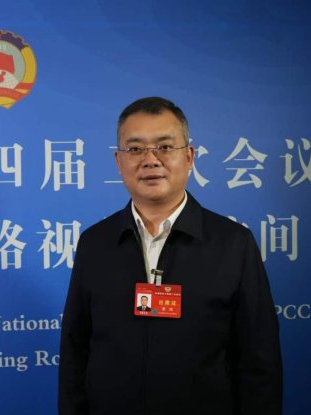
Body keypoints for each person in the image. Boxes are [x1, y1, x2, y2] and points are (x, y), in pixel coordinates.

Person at [58, 97, 282, 414]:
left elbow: (259, 360)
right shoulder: (95, 244)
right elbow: (75, 351)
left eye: (164, 147)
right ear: (119, 161)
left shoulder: (233, 244)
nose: (150, 160)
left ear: (189, 156)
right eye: (135, 149)